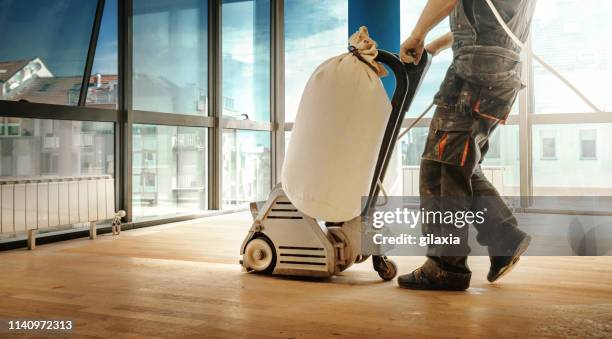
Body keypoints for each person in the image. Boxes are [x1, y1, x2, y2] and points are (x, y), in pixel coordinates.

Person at [397, 0, 537, 291]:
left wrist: (418, 34)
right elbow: (488, 18)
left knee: (440, 169)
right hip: (500, 72)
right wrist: (435, 44)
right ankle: (504, 238)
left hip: (475, 74)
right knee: (459, 163)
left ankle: (445, 267)